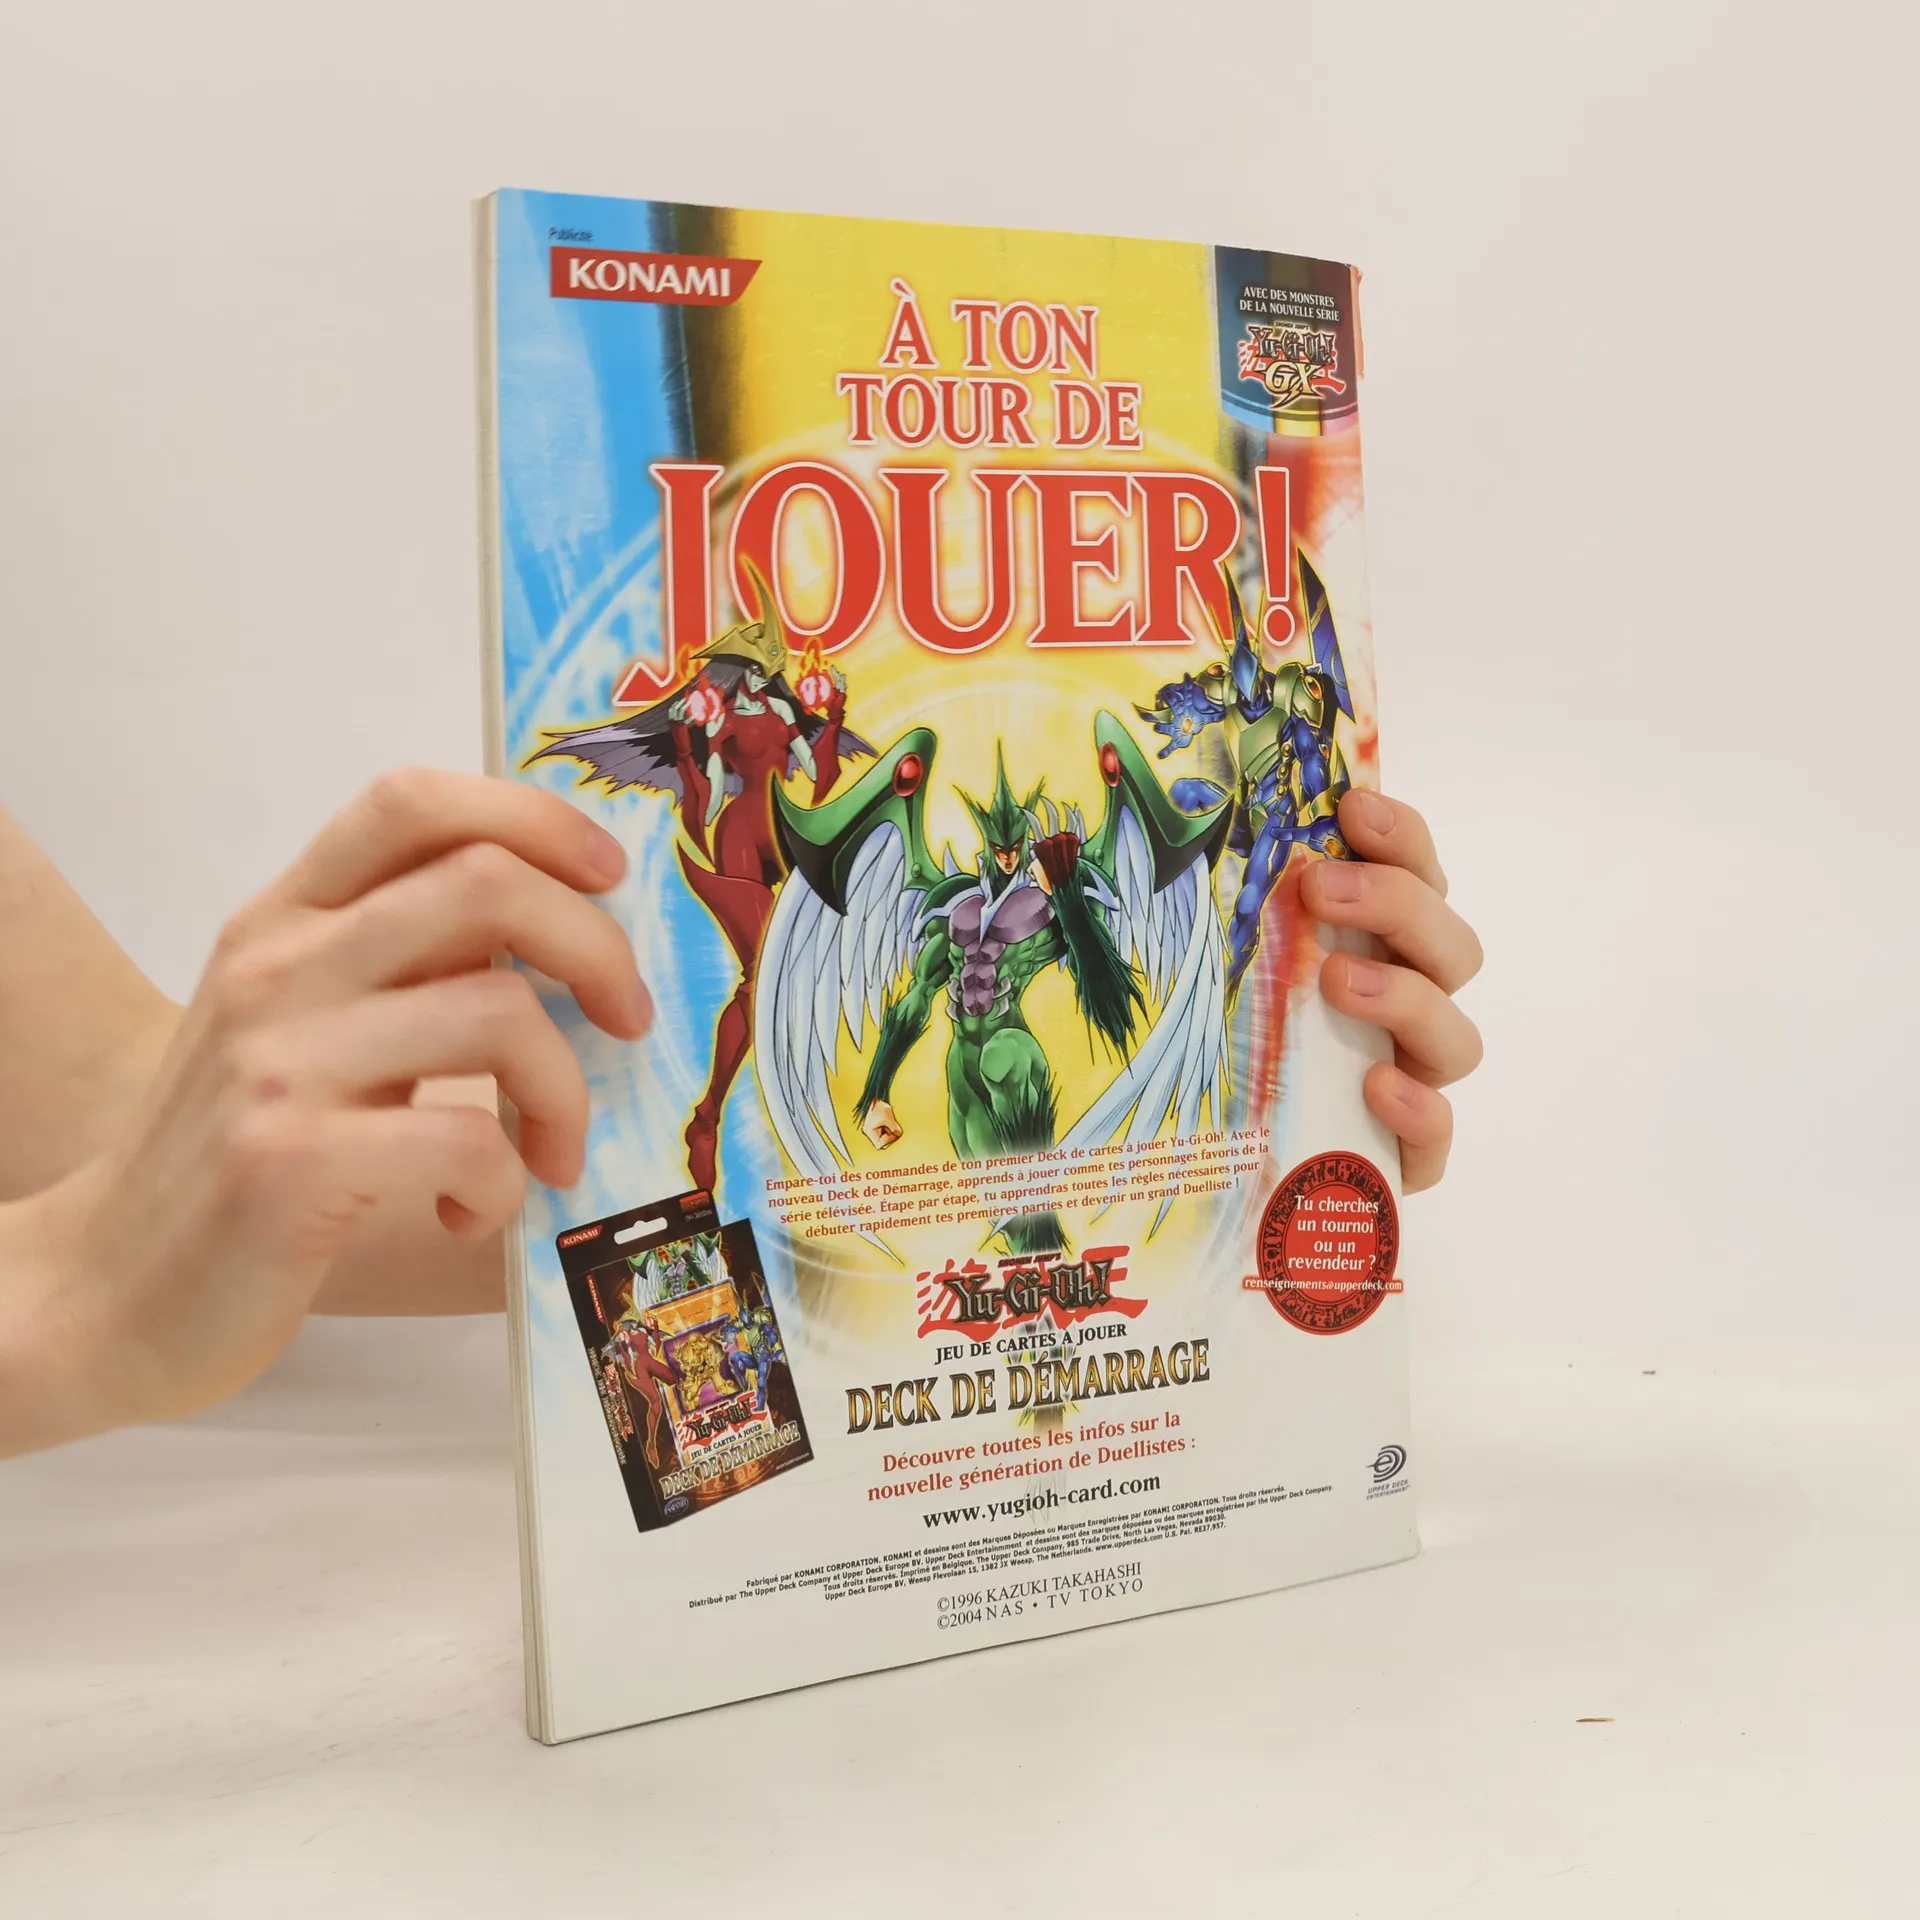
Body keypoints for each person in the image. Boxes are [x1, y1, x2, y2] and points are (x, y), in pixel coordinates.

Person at [0, 771, 1483, 1459]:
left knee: (984, 1225)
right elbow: (93, 1195)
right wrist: (70, 1302)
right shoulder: (934, 931)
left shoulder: (1016, 926)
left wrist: (1271, 1096)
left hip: (998, 1118)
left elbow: (99, 1113)